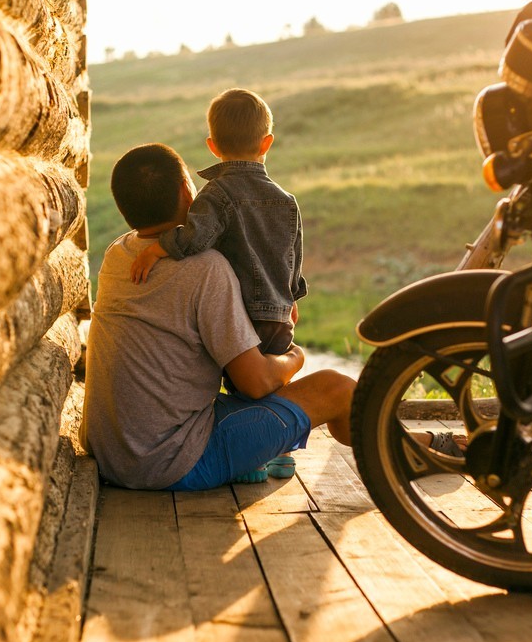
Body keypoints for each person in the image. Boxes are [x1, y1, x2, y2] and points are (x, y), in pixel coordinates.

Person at [80, 143, 355, 492]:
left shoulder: (119, 254)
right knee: (338, 388)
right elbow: (256, 381)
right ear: (186, 189)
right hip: (169, 461)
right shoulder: (204, 268)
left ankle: (407, 447)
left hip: (110, 454)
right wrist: (294, 358)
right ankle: (412, 452)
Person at [129, 88, 306, 478]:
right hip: (278, 311)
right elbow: (292, 255)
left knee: (242, 385)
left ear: (212, 146)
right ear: (267, 143)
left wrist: (158, 250)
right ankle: (283, 452)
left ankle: (256, 457)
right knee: (272, 379)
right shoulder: (286, 200)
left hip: (240, 311)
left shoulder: (217, 194)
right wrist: (291, 297)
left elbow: (195, 238)